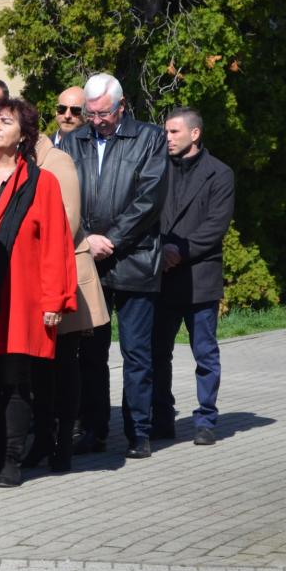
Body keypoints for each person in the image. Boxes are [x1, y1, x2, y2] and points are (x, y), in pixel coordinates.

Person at [0, 98, 77, 488]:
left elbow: (55, 245)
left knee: (15, 378)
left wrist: (55, 300)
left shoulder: (41, 182)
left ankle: (11, 460)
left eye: (6, 121)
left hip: (21, 299)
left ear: (24, 134)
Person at [60, 73, 167, 459]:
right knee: (91, 354)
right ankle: (94, 428)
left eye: (103, 113)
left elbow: (149, 199)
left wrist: (114, 240)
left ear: (121, 106)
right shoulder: (74, 141)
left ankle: (139, 431)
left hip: (136, 259)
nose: (96, 120)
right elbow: (63, 196)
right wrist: (86, 238)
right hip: (90, 261)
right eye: (90, 113)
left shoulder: (150, 138)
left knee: (137, 353)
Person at [22, 129, 109, 473]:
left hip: (61, 274)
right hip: (30, 279)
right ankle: (43, 438)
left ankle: (63, 444)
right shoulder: (11, 161)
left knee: (64, 364)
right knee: (39, 370)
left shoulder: (56, 161)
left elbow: (67, 222)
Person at [154, 108, 233, 446]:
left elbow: (216, 225)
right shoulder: (157, 167)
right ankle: (161, 418)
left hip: (199, 277)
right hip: (162, 275)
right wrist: (160, 251)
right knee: (157, 353)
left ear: (195, 134)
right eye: (166, 132)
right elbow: (148, 213)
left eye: (174, 132)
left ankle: (206, 420)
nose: (167, 138)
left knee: (205, 353)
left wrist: (179, 251)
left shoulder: (220, 173)